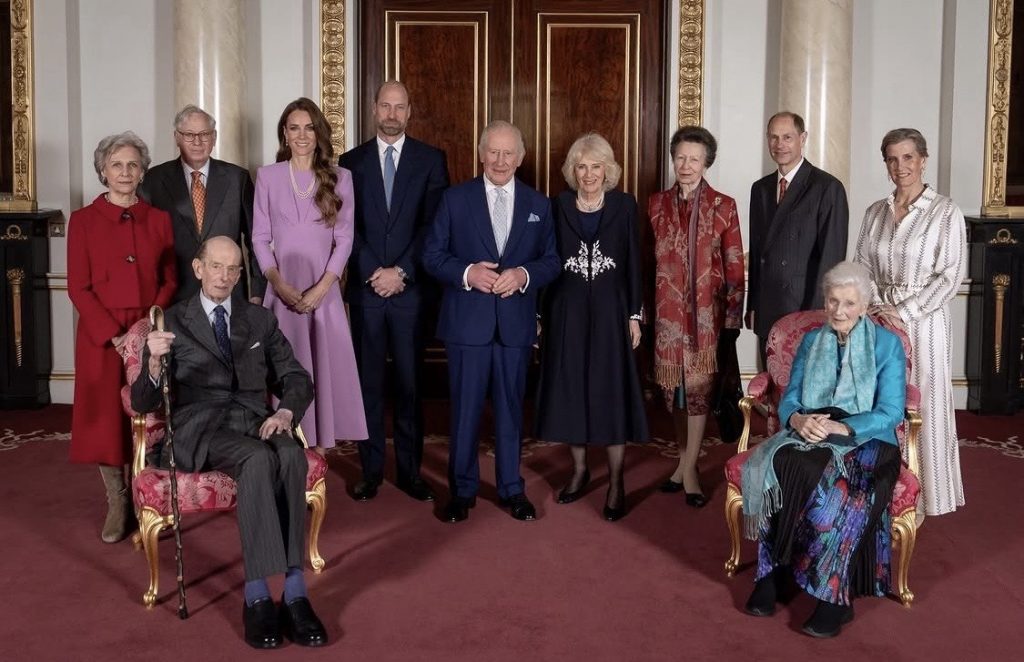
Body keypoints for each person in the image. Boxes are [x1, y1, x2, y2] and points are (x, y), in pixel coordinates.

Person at [132, 236, 327, 649]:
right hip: (200, 427)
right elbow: (142, 402)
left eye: (233, 269)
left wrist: (285, 413)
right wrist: (151, 361)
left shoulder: (258, 320)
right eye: (216, 266)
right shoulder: (171, 321)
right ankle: (257, 596)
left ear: (240, 274)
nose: (224, 276)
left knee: (291, 455)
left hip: (255, 418)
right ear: (198, 268)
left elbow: (295, 376)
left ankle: (295, 593)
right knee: (257, 459)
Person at [740, 261, 906, 639]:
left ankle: (833, 595)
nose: (839, 311)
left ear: (864, 306)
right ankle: (775, 572)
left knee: (840, 486)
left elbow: (891, 411)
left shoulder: (887, 345)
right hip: (813, 428)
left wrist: (842, 425)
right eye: (833, 301)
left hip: (868, 437)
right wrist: (798, 421)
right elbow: (790, 398)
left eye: (849, 303)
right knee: (779, 463)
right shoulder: (812, 341)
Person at [423, 120, 560, 523]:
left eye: (508, 153)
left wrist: (523, 276)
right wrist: (468, 273)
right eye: (493, 152)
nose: (500, 160)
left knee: (511, 411)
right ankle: (461, 492)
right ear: (481, 154)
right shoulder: (454, 199)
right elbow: (432, 256)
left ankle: (511, 489)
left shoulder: (539, 205)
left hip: (515, 324)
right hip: (467, 323)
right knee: (464, 412)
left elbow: (552, 261)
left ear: (520, 158)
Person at [339, 80, 450, 502]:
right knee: (367, 385)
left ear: (410, 111)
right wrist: (373, 271)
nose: (391, 113)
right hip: (367, 292)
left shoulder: (430, 160)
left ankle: (410, 471)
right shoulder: (350, 162)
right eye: (384, 105)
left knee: (409, 385)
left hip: (410, 293)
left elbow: (434, 226)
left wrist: (401, 271)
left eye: (399, 106)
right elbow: (347, 228)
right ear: (373, 108)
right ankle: (370, 470)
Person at [67, 131, 177, 544]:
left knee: (151, 415)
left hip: (149, 333)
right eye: (117, 165)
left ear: (142, 170)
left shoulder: (159, 219)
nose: (125, 172)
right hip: (102, 337)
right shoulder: (82, 221)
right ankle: (118, 501)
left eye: (133, 165)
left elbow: (170, 278)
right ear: (102, 171)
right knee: (107, 420)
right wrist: (115, 335)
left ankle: (148, 497)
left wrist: (147, 326)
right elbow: (78, 287)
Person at [534, 133, 648, 521]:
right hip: (566, 311)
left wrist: (635, 314)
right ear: (572, 171)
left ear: (608, 170)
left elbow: (634, 262)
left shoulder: (623, 205)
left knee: (609, 391)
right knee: (570, 389)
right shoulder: (558, 205)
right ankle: (580, 470)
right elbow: (546, 259)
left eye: (595, 166)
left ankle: (616, 481)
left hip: (611, 312)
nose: (588, 174)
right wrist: (538, 314)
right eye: (581, 166)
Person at [855, 128, 967, 518]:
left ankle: (922, 498)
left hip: (924, 324)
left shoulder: (945, 211)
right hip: (878, 322)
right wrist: (872, 306)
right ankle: (881, 491)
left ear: (923, 159)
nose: (900, 166)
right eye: (892, 158)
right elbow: (863, 267)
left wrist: (903, 311)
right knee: (881, 404)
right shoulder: (874, 212)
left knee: (923, 405)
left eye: (907, 158)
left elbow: (950, 277)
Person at [252, 97, 368, 452]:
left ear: (319, 132)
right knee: (285, 367)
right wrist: (278, 283)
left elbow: (344, 239)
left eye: (309, 127)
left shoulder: (340, 177)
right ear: (284, 135)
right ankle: (282, 448)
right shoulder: (267, 176)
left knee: (322, 368)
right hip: (282, 291)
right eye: (294, 128)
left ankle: (319, 451)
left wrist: (322, 288)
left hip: (324, 292)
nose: (302, 135)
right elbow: (259, 237)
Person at [649, 126, 745, 507]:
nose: (686, 165)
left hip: (707, 318)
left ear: (707, 162)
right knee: (674, 392)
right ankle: (682, 460)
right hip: (666, 315)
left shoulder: (724, 206)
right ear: (673, 159)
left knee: (700, 393)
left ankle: (688, 469)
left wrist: (732, 322)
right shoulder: (656, 204)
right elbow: (646, 259)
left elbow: (735, 266)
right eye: (680, 157)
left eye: (694, 158)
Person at [746, 111, 849, 366]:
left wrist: (817, 314)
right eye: (774, 138)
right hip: (768, 307)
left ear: (802, 139)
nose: (780, 145)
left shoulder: (827, 188)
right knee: (770, 385)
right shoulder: (760, 188)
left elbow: (831, 259)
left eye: (787, 137)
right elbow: (759, 251)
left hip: (803, 307)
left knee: (804, 390)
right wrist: (753, 305)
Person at [139, 104, 265, 304]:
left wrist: (257, 293)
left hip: (228, 294)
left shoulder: (237, 179)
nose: (197, 141)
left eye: (204, 134)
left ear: (214, 138)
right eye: (189, 134)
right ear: (177, 138)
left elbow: (256, 241)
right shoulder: (153, 180)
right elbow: (143, 246)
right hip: (172, 299)